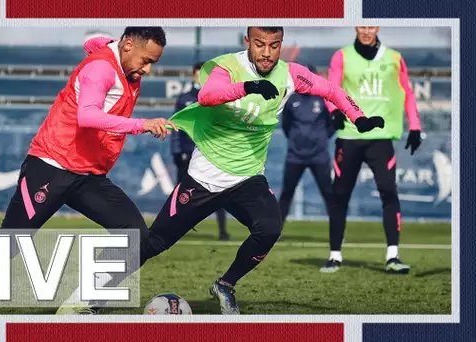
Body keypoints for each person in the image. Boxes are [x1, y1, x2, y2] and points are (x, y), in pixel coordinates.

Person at [63, 26, 385, 315]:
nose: (267, 53)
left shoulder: (290, 74)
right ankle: (92, 296)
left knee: (270, 229)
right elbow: (208, 95)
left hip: (247, 180)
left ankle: (225, 285)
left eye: (274, 45)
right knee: (153, 242)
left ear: (281, 44)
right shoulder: (226, 67)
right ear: (248, 41)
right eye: (259, 44)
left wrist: (358, 117)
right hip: (204, 179)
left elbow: (329, 89)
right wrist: (248, 86)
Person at [0, 27, 178, 314]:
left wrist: (104, 43)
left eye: (153, 63)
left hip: (87, 176)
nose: (148, 69)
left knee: (135, 234)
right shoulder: (101, 70)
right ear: (128, 45)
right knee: (8, 246)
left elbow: (91, 42)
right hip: (50, 167)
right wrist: (142, 124)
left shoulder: (118, 56)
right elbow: (87, 115)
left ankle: (81, 303)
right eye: (146, 60)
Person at [320, 26, 422, 274]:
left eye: (371, 26)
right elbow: (330, 89)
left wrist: (415, 126)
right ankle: (335, 256)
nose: (366, 31)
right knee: (340, 195)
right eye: (362, 26)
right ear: (356, 27)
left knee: (389, 192)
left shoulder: (395, 58)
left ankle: (393, 257)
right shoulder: (341, 56)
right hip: (349, 137)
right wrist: (334, 112)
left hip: (381, 139)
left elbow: (407, 93)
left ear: (377, 27)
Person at [171, 61, 229, 240]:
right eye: (198, 74)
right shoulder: (184, 98)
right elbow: (176, 126)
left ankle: (222, 230)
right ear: (193, 75)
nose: (200, 78)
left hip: (210, 153)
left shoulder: (217, 98)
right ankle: (174, 228)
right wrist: (177, 151)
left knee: (218, 190)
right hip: (187, 152)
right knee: (182, 192)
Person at [278, 64, 336, 224]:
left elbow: (333, 124)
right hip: (295, 156)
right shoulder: (291, 99)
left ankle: (337, 231)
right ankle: (275, 231)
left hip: (319, 156)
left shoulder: (324, 98)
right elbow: (286, 125)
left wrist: (322, 137)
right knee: (287, 193)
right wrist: (296, 140)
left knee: (328, 193)